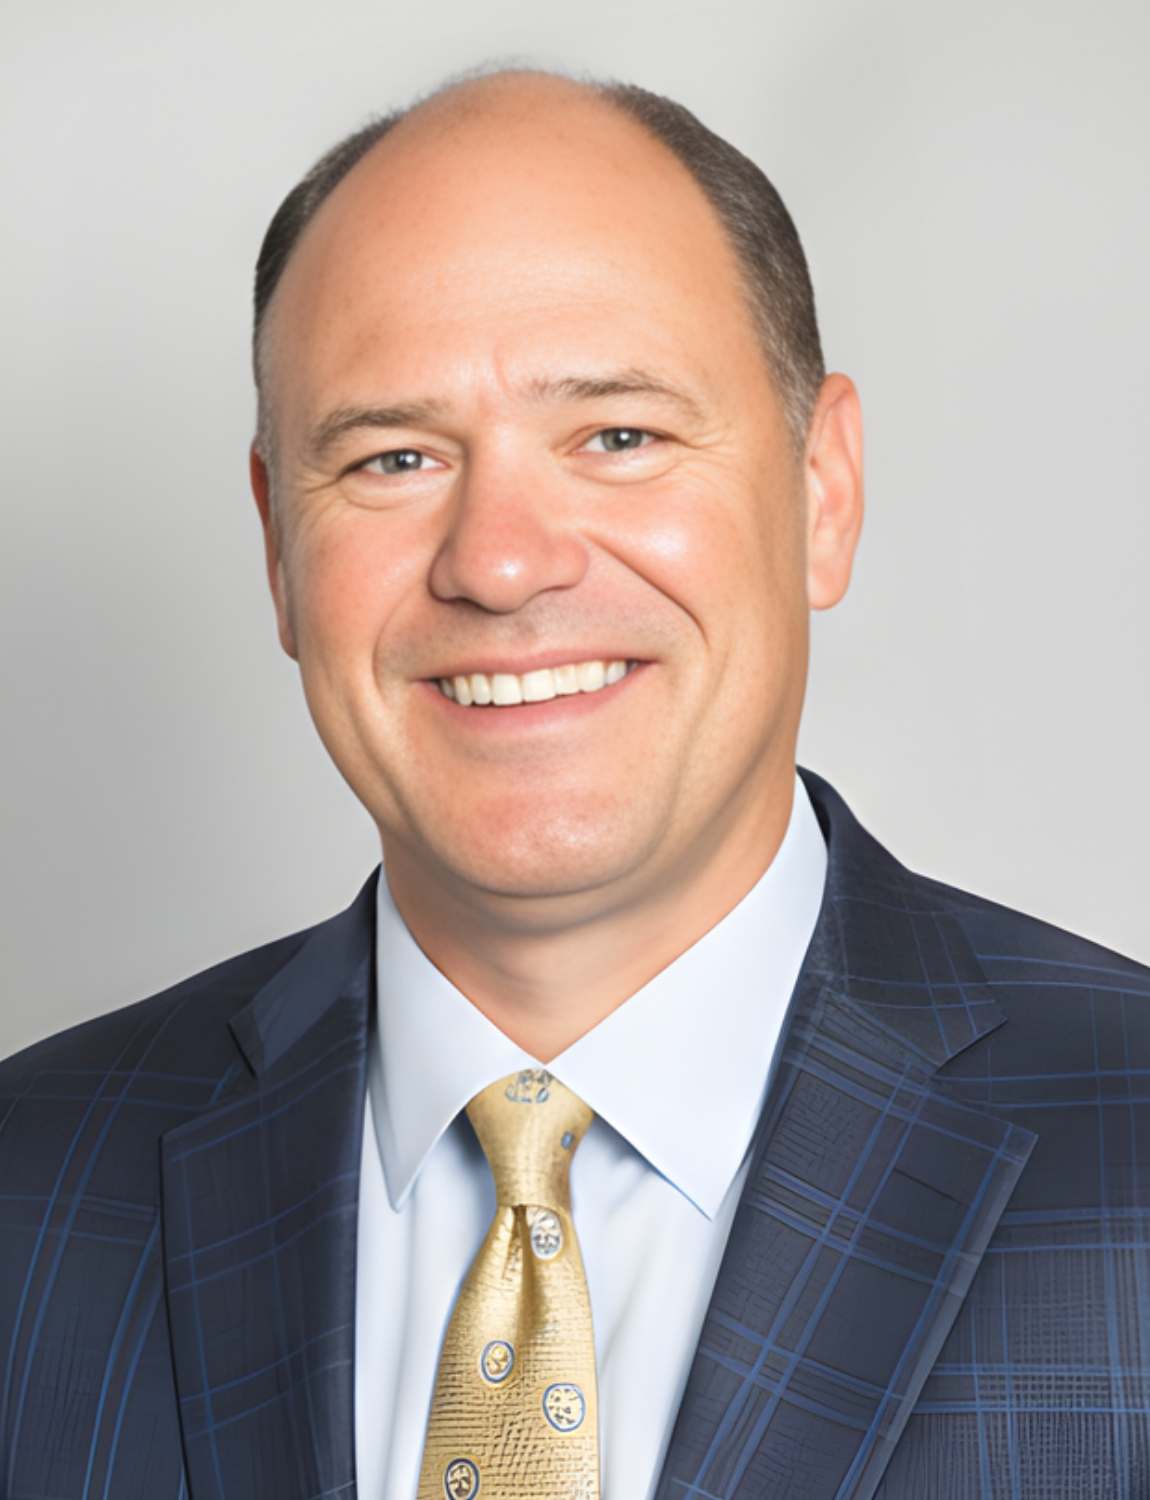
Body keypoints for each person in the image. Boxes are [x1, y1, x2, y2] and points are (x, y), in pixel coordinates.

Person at [1, 68, 1146, 1500]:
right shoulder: (28, 1191)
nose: (498, 560)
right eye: (394, 457)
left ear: (823, 489)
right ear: (279, 550)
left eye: (618, 437)